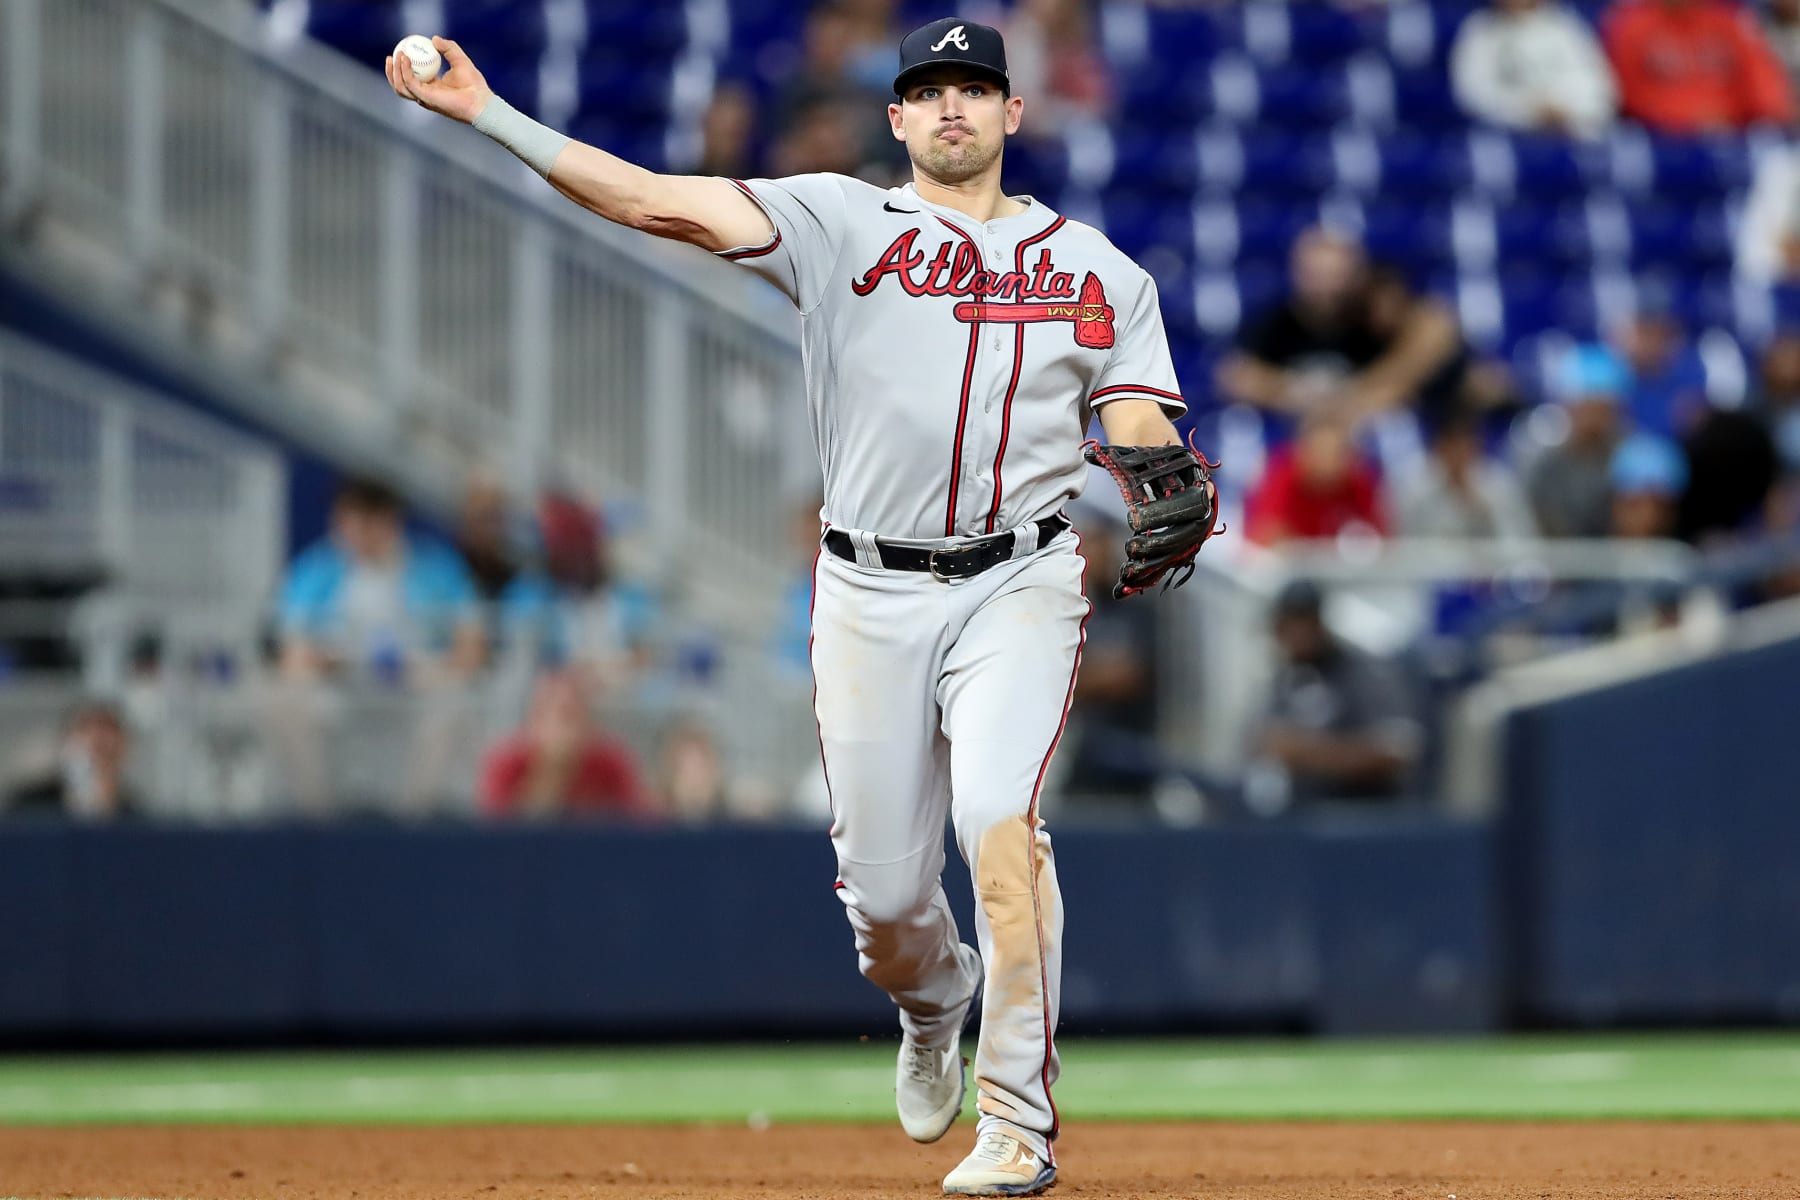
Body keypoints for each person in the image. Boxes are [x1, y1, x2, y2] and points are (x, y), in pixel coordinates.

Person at [385, 16, 1211, 1193]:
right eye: (929, 90)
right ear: (896, 117)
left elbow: (1138, 417)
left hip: (1020, 580)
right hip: (868, 588)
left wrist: (1154, 463)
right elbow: (646, 199)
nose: (953, 108)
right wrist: (488, 116)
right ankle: (936, 1007)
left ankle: (1018, 1125)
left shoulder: (1101, 272)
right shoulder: (838, 220)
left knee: (1001, 826)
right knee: (884, 906)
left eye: (977, 89)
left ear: (1015, 115)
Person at [1218, 230, 1460, 428]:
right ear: (1297, 274)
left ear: (1355, 276)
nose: (1326, 288)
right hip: (1289, 439)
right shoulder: (1272, 321)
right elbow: (1236, 376)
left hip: (1361, 438)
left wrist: (1356, 395)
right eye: (1316, 276)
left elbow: (1436, 330)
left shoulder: (1369, 321)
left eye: (1336, 276)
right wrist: (1295, 394)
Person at [279, 478, 485, 683]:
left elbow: (471, 639)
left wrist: (438, 671)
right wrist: (318, 659)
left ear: (392, 519)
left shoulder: (437, 568)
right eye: (348, 522)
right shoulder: (315, 571)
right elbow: (292, 646)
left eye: (368, 523)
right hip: (338, 693)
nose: (358, 534)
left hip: (420, 693)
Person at [1249, 581, 1423, 811]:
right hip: (1301, 819)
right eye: (1288, 625)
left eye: (1304, 622)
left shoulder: (1364, 672)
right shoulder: (1283, 679)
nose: (1297, 634)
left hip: (1368, 816)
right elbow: (1260, 747)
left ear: (1319, 623)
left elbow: (1399, 750)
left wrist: (1308, 752)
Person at [1602, 0, 1795, 135]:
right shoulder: (1630, 24)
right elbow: (1627, 98)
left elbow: (1766, 95)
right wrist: (1689, 120)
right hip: (1660, 143)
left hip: (1732, 139)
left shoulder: (1729, 22)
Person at [478, 672, 649, 820]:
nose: (568, 728)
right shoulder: (507, 762)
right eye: (561, 714)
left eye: (575, 714)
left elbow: (638, 823)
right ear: (536, 719)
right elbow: (499, 835)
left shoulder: (610, 761)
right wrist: (552, 771)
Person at [1451, 0, 1618, 139]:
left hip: (1569, 134)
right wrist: (1529, 112)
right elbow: (1473, 96)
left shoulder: (1564, 25)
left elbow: (1600, 90)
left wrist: (1567, 109)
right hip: (1509, 136)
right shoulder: (1479, 30)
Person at [1527, 345, 1629, 538]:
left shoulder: (1632, 459)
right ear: (1569, 406)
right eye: (1588, 406)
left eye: (1602, 408)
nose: (1594, 417)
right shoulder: (1545, 467)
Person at [1394, 408, 1539, 541]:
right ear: (1438, 447)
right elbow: (1408, 543)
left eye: (1465, 445)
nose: (1459, 454)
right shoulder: (1415, 488)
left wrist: (1482, 508)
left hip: (1489, 567)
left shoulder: (1498, 485)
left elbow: (1519, 539)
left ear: (1477, 446)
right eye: (1452, 445)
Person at [1244, 412, 1388, 546]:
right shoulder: (1282, 474)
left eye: (1337, 452)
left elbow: (1381, 538)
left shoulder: (1358, 480)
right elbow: (1263, 533)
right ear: (1303, 452)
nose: (1329, 462)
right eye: (1321, 451)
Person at [6, 701, 140, 821]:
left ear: (124, 748)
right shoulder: (28, 809)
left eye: (108, 730)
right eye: (85, 728)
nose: (97, 738)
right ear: (64, 744)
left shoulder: (139, 821)